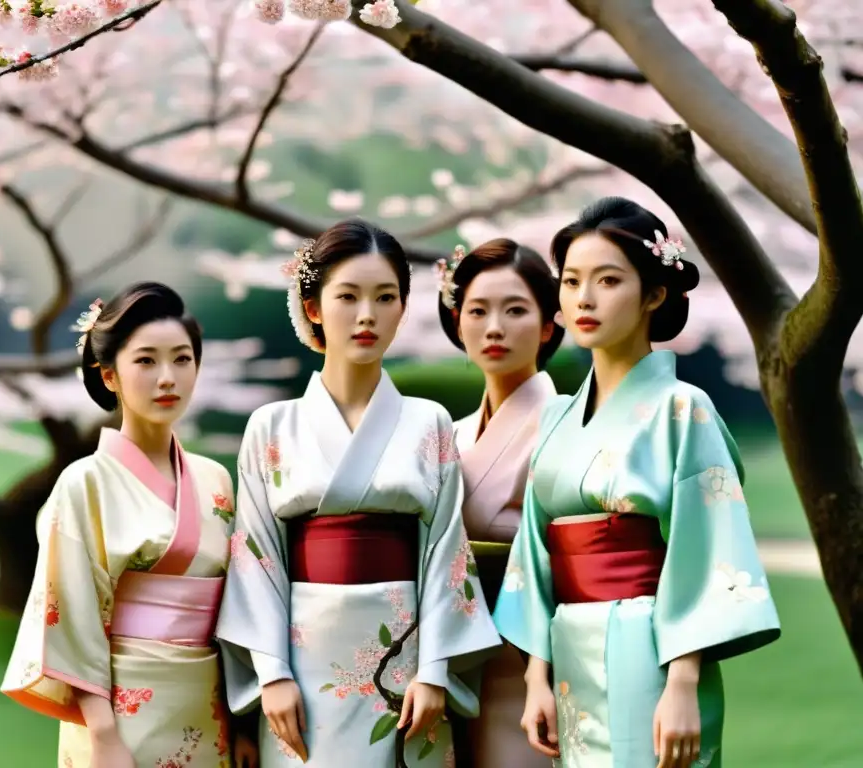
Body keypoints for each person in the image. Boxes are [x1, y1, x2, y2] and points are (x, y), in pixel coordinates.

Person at [492, 197, 781, 768]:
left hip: (651, 654)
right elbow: (534, 548)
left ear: (654, 294)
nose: (584, 298)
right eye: (571, 281)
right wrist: (535, 676)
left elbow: (706, 548)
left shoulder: (683, 409)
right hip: (569, 652)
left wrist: (682, 684)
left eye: (607, 280)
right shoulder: (556, 417)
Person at [215, 219, 502, 767]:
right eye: (347, 296)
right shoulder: (271, 426)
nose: (367, 314)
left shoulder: (429, 423)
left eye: (385, 297)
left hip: (406, 659)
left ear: (402, 308)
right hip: (301, 665)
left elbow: (447, 553)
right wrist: (271, 673)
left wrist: (435, 669)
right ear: (315, 307)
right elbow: (255, 559)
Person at [0, 282, 256, 768]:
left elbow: (237, 607)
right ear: (109, 375)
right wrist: (103, 736)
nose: (168, 378)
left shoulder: (214, 479)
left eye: (182, 359)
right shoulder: (85, 482)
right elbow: (72, 614)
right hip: (120, 714)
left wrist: (243, 721)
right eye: (146, 361)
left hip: (207, 707)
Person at [435, 239, 562, 768]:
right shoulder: (451, 434)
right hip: (448, 663)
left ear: (550, 325)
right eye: (479, 311)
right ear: (458, 320)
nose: (494, 328)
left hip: (529, 659)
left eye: (515, 310)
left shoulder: (565, 422)